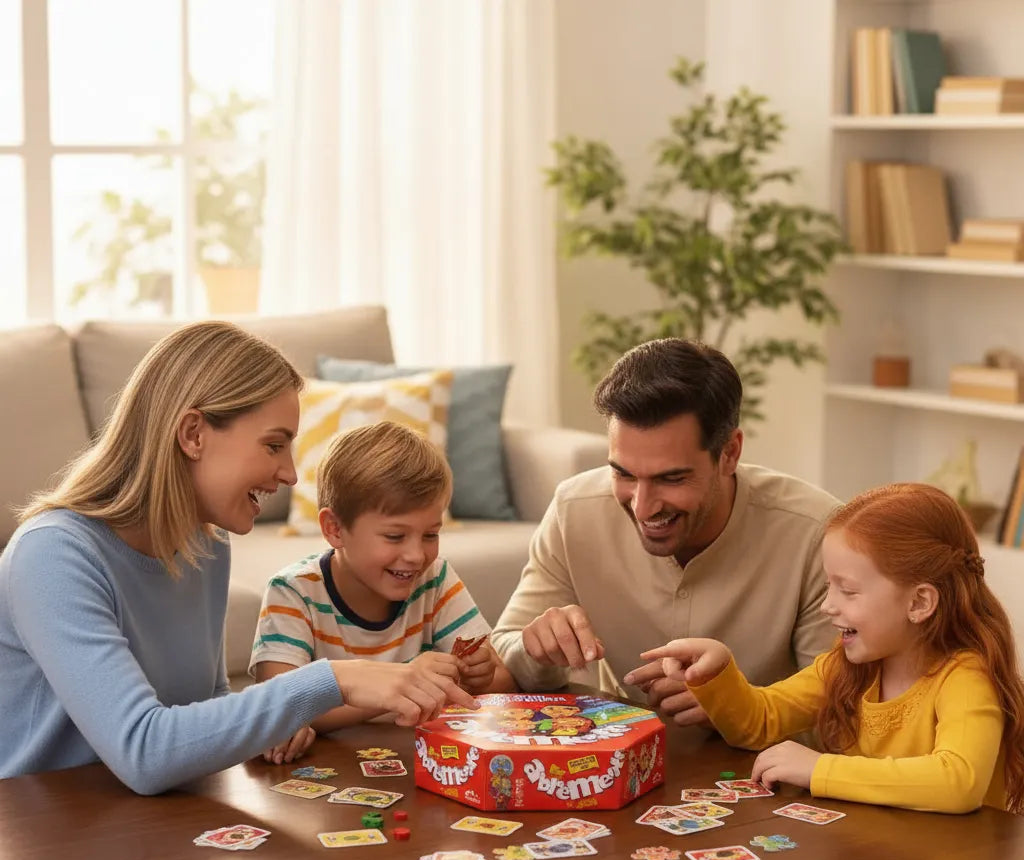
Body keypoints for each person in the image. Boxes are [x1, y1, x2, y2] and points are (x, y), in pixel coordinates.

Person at [0, 323, 476, 794]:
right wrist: (335, 679)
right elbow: (143, 750)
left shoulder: (204, 544)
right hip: (45, 831)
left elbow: (206, 703)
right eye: (274, 444)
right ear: (193, 434)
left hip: (156, 821)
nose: (290, 474)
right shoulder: (54, 555)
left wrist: (276, 723)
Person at [490, 337, 840, 725]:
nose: (642, 506)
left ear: (730, 454)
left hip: (764, 774)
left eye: (671, 478)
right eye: (623, 473)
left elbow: (845, 707)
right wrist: (536, 650)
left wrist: (741, 706)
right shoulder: (573, 510)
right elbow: (503, 653)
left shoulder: (817, 533)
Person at [640, 483, 1024, 814]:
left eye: (849, 590)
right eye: (829, 586)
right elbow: (759, 722)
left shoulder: (967, 676)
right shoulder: (847, 668)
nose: (827, 605)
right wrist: (718, 670)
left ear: (920, 603)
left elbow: (958, 783)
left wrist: (819, 769)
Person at [251, 420, 515, 759]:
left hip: (416, 765)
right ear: (335, 529)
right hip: (331, 775)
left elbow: (504, 684)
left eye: (431, 535)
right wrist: (397, 686)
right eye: (394, 536)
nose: (416, 555)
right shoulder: (293, 594)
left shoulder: (435, 579)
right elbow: (276, 710)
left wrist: (482, 676)